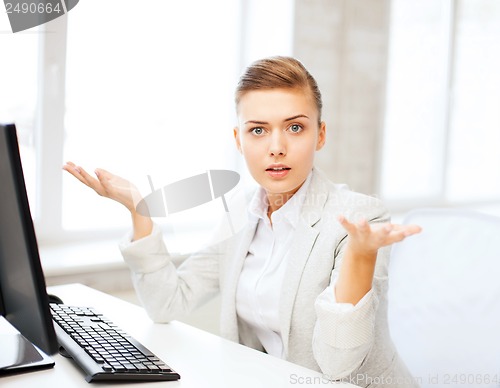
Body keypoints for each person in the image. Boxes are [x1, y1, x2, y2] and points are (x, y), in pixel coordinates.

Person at [63, 56, 421, 387]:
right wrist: (139, 210)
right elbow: (168, 302)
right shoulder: (241, 210)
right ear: (239, 139)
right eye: (258, 130)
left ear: (320, 134)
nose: (277, 147)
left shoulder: (358, 219)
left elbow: (338, 364)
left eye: (295, 128)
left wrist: (359, 256)